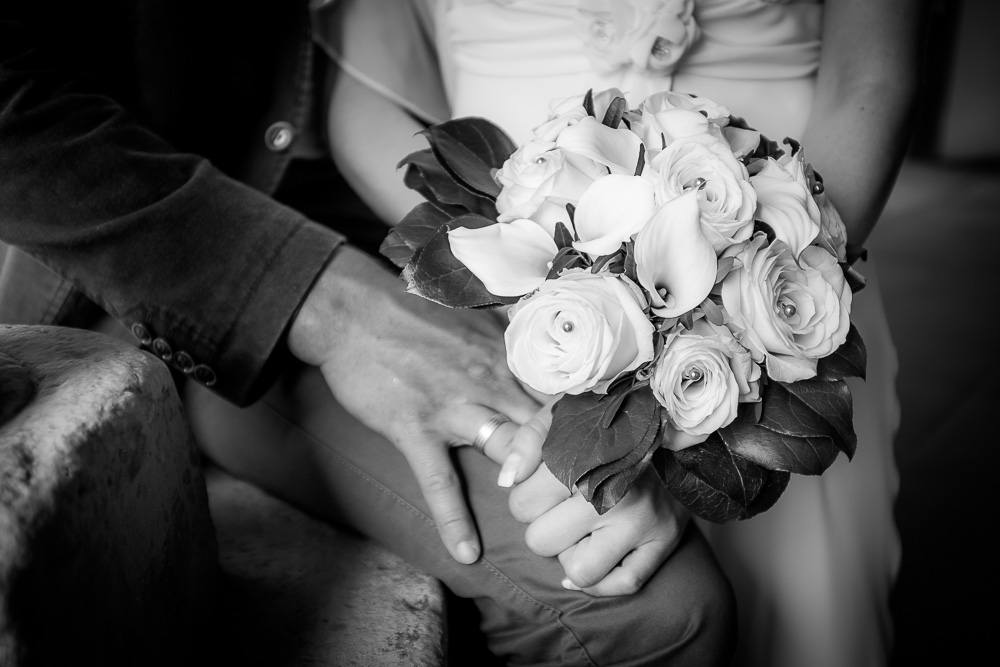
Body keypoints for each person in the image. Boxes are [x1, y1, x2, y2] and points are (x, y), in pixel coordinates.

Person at [0, 1, 737, 665]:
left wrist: (562, 301)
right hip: (189, 258)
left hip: (470, 222)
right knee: (655, 614)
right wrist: (329, 303)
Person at [318, 0, 927, 665]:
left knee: (802, 618)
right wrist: (519, 298)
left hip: (787, 256)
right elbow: (365, 100)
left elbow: (871, 78)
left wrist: (718, 342)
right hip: (519, 267)